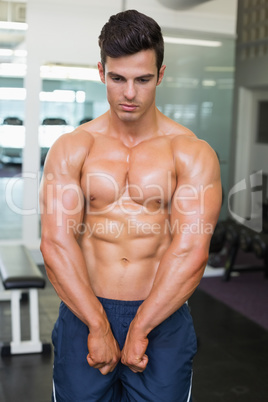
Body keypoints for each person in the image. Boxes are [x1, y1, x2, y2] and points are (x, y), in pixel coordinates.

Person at [39, 9, 222, 402]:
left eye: (143, 79)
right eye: (118, 79)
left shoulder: (190, 152)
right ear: (102, 72)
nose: (129, 94)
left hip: (163, 312)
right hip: (83, 306)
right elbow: (56, 244)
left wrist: (141, 327)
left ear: (161, 74)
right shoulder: (74, 148)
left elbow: (190, 250)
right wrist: (96, 323)